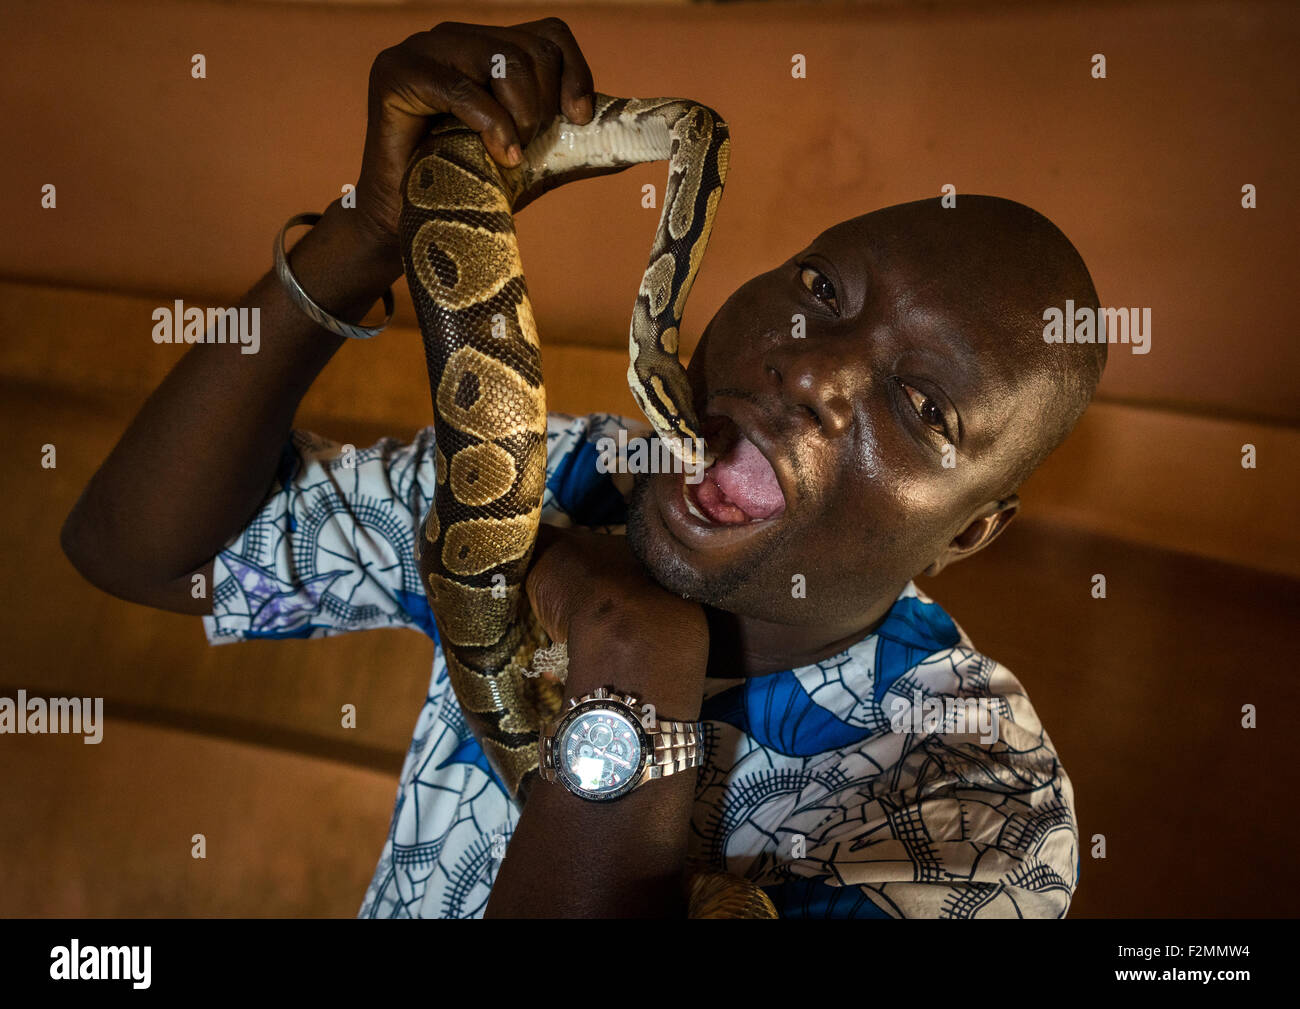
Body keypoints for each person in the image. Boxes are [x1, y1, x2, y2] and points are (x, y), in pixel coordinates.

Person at [61, 18, 1104, 918]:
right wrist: (369, 232)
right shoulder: (574, 467)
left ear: (969, 528)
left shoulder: (983, 811)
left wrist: (630, 663)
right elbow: (133, 552)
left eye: (923, 407)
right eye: (822, 288)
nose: (813, 372)